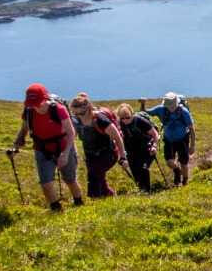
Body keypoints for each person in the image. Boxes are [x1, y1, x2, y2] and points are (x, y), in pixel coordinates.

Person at [11, 82, 84, 211]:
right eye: (32, 104)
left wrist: (65, 153)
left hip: (63, 146)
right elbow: (24, 129)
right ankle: (56, 209)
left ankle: (79, 203)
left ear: (45, 99)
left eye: (38, 102)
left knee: (70, 179)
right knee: (46, 182)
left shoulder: (58, 109)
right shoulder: (29, 112)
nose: (36, 106)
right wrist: (16, 145)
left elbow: (71, 132)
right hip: (42, 149)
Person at [69, 92, 126, 198]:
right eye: (75, 114)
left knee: (94, 177)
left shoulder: (100, 119)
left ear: (88, 109)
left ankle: (95, 199)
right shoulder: (77, 121)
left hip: (107, 154)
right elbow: (71, 138)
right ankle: (109, 196)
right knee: (99, 179)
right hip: (90, 156)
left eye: (80, 114)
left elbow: (117, 137)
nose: (78, 116)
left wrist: (123, 156)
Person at [143, 91, 195, 186]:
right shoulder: (161, 109)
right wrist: (143, 104)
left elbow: (191, 128)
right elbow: (146, 112)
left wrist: (192, 146)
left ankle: (185, 181)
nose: (171, 108)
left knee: (183, 162)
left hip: (183, 139)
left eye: (173, 106)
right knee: (169, 161)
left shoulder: (184, 112)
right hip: (168, 140)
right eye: (169, 106)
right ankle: (177, 170)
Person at [117, 102, 158, 192]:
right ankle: (141, 190)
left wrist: (154, 146)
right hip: (131, 151)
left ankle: (147, 191)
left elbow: (155, 134)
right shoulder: (120, 124)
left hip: (146, 149)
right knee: (135, 172)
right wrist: (121, 157)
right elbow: (117, 139)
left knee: (144, 168)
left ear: (131, 114)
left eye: (127, 117)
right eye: (122, 118)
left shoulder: (140, 121)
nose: (125, 120)